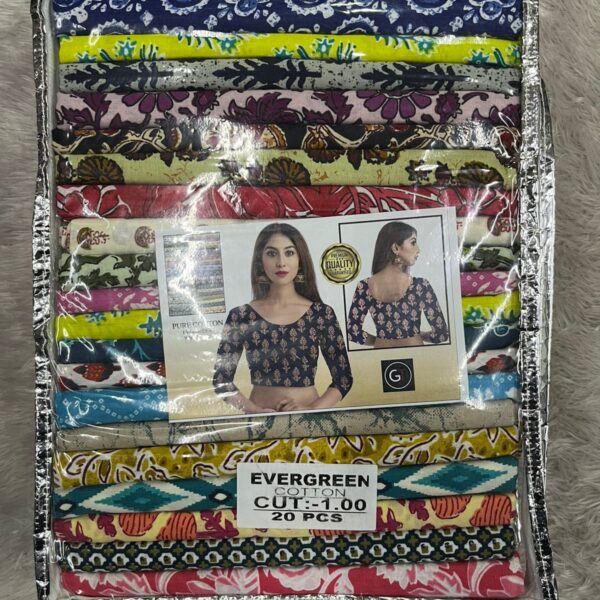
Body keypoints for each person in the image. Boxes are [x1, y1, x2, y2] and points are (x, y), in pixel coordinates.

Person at [213, 223, 353, 414]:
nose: (281, 262)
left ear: (300, 258)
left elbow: (343, 379)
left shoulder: (321, 314)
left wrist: (310, 410)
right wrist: (255, 411)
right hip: (260, 419)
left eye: (289, 253)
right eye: (272, 254)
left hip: (310, 421)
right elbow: (221, 381)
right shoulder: (241, 316)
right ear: (260, 260)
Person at [347, 221, 449, 348]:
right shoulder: (420, 286)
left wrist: (380, 340)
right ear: (396, 248)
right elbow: (441, 334)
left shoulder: (364, 287)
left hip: (381, 354)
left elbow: (352, 332)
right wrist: (419, 335)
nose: (418, 250)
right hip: (416, 354)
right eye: (413, 242)